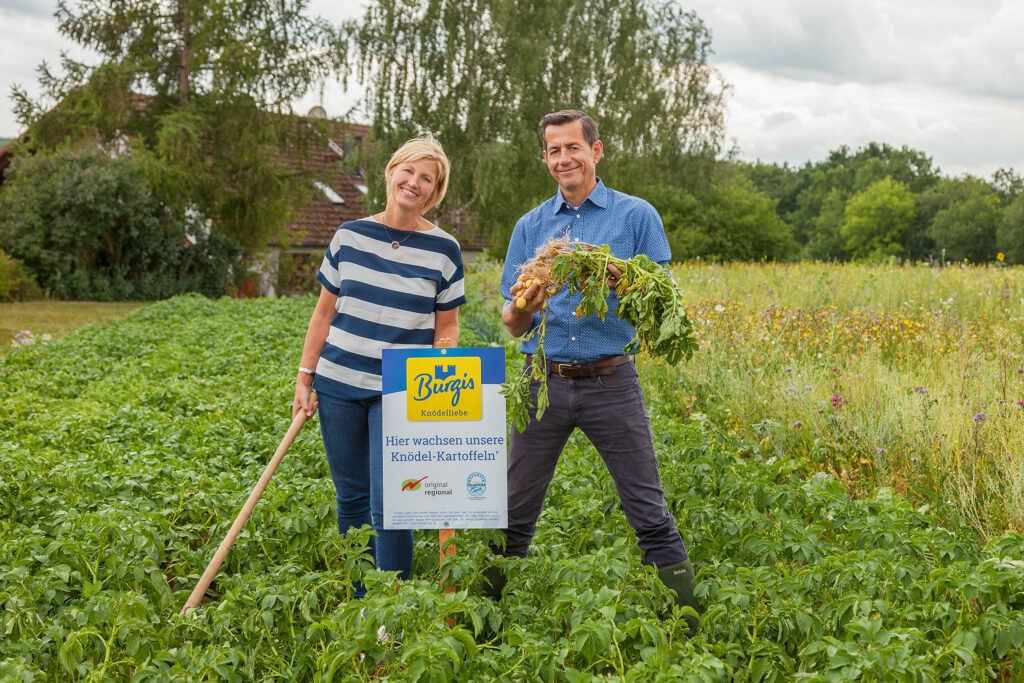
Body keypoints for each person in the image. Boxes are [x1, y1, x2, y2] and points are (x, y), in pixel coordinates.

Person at [491, 109, 701, 634]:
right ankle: (485, 622)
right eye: (554, 150)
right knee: (513, 513)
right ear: (545, 158)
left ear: (596, 151)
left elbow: (661, 303)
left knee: (648, 511)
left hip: (612, 379)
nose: (564, 158)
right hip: (542, 382)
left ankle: (691, 625)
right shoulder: (531, 226)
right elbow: (513, 323)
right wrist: (525, 304)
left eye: (573, 148)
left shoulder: (635, 217)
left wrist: (621, 282)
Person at [293, 136, 465, 593]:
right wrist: (305, 377)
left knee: (394, 502)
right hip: (338, 384)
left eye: (426, 178)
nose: (414, 182)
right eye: (408, 171)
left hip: (399, 388)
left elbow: (447, 324)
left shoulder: (444, 250)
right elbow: (323, 314)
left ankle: (391, 608)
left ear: (434, 191)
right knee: (351, 499)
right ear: (391, 173)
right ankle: (359, 601)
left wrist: (445, 351)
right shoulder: (349, 235)